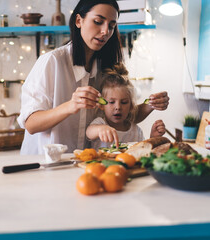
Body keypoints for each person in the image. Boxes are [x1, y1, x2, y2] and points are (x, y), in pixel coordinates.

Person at [17, 0, 169, 155]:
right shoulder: (52, 61)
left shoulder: (106, 69)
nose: (105, 31)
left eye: (111, 26)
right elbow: (31, 124)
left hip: (78, 164)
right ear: (78, 21)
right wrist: (71, 105)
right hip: (41, 164)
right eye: (98, 22)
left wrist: (151, 105)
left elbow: (121, 118)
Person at [86, 69, 166, 150]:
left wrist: (153, 138)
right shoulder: (100, 123)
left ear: (131, 106)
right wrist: (100, 129)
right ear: (101, 105)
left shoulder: (136, 131)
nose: (118, 107)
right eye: (111, 102)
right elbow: (89, 132)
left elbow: (143, 151)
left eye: (124, 102)